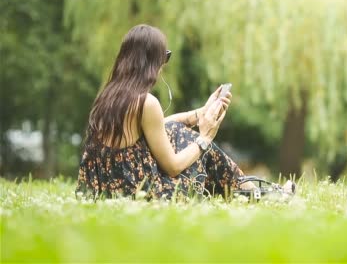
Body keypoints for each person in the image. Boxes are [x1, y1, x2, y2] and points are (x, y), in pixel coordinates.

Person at [75, 24, 295, 200]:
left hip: (104, 190)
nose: (165, 64)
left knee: (176, 129)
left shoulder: (109, 96)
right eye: (165, 57)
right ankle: (259, 192)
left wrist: (200, 113)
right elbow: (172, 168)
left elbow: (159, 127)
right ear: (152, 62)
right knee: (201, 147)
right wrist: (205, 137)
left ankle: (250, 190)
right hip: (140, 195)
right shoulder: (146, 103)